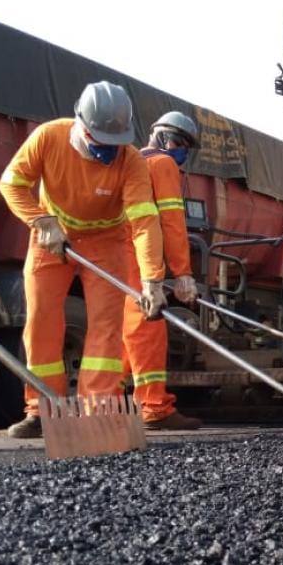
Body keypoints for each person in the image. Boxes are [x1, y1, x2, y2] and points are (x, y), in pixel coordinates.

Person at [0, 82, 166, 437]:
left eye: (114, 144)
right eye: (100, 143)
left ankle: (99, 414)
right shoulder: (48, 138)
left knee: (106, 328)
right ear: (81, 125)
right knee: (41, 321)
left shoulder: (132, 161)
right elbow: (11, 184)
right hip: (52, 237)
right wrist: (41, 221)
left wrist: (152, 280)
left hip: (106, 243)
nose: (108, 152)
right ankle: (43, 410)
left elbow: (144, 222)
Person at [121, 112, 202, 430]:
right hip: (139, 259)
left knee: (120, 337)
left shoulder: (130, 161)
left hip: (115, 257)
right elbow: (171, 222)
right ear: (170, 140)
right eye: (183, 147)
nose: (182, 156)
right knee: (149, 330)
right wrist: (183, 273)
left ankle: (107, 406)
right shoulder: (163, 164)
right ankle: (154, 408)